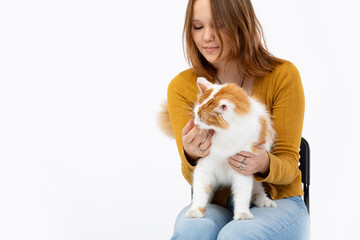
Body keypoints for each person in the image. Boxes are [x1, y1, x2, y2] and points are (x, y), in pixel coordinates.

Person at [167, 0, 310, 239]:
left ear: (241, 25)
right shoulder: (183, 87)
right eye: (198, 27)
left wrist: (263, 162)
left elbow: (287, 167)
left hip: (279, 200)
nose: (207, 37)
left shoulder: (283, 75)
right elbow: (191, 174)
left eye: (219, 25)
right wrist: (192, 155)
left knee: (238, 234)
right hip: (218, 202)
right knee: (191, 231)